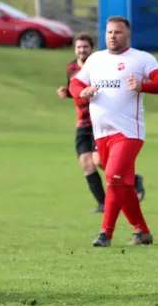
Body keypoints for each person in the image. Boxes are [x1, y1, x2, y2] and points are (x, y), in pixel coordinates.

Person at [69, 16, 158, 247]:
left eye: (117, 32)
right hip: (102, 134)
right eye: (109, 32)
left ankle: (106, 233)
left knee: (113, 178)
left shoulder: (141, 59)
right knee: (123, 186)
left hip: (128, 133)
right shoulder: (95, 59)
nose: (112, 36)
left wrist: (142, 86)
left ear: (128, 35)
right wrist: (82, 91)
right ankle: (142, 231)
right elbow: (74, 84)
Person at [57, 33, 145, 213]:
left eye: (85, 47)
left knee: (98, 161)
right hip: (82, 123)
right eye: (79, 47)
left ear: (91, 49)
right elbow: (75, 89)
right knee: (85, 162)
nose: (82, 50)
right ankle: (103, 204)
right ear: (75, 49)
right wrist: (67, 92)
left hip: (101, 121)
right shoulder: (71, 68)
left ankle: (133, 179)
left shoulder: (101, 66)